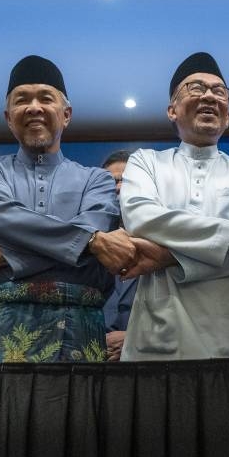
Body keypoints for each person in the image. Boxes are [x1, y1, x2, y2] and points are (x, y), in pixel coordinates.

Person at [0, 55, 132, 363]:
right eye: (22, 99)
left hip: (77, 332)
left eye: (45, 98)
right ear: (9, 117)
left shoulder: (98, 180)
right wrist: (87, 241)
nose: (34, 107)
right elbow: (1, 218)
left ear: (66, 114)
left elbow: (96, 249)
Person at [119, 52, 229, 361]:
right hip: (158, 336)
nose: (209, 96)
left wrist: (168, 257)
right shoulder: (146, 162)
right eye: (196, 88)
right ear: (172, 110)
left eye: (219, 92)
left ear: (228, 115)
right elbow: (142, 220)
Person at [99, 149, 138, 361]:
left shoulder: (165, 246)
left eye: (127, 181)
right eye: (112, 182)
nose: (120, 187)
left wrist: (135, 338)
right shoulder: (88, 244)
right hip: (93, 355)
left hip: (149, 358)